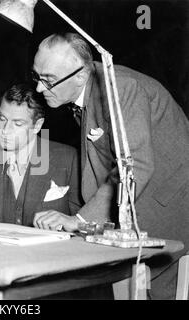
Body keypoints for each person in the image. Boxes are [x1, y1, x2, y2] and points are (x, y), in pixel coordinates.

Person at [32, 32, 189, 299]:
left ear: (80, 75)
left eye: (48, 80)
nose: (38, 89)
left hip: (168, 209)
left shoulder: (120, 87)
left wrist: (79, 221)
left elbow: (134, 166)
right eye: (37, 77)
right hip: (136, 208)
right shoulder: (89, 89)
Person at [0, 83, 82, 228]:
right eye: (2, 119)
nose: (5, 130)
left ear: (37, 125)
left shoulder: (69, 159)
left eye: (17, 123)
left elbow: (84, 221)